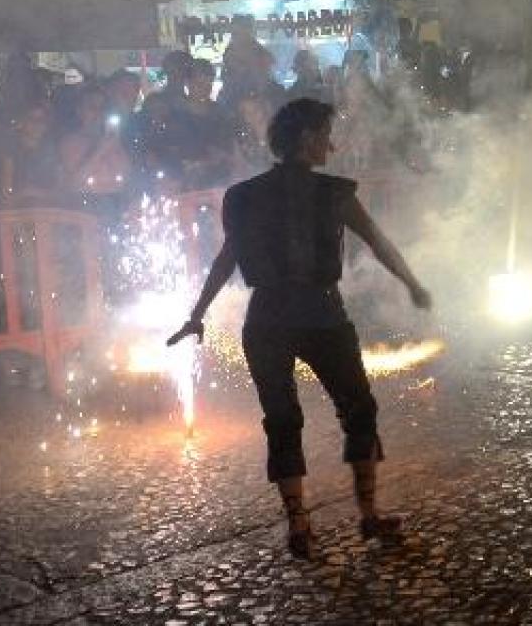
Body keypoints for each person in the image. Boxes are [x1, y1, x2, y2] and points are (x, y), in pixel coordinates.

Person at [168, 98, 433, 560]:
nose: (331, 143)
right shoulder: (335, 193)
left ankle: (299, 525)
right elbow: (378, 243)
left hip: (267, 318)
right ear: (308, 139)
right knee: (359, 410)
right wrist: (411, 283)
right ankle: (368, 515)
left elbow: (227, 258)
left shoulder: (244, 195)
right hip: (321, 315)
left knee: (283, 420)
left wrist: (199, 313)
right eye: (326, 134)